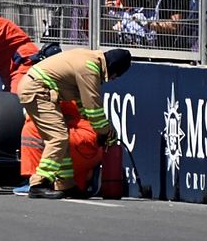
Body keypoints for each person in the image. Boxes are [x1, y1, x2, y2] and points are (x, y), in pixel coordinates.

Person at [16, 48, 132, 198]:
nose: (112, 79)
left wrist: (99, 129)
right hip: (38, 90)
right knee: (58, 137)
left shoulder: (90, 58)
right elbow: (93, 108)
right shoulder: (90, 69)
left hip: (38, 88)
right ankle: (39, 183)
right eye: (115, 77)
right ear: (114, 71)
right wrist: (106, 132)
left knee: (62, 137)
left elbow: (82, 104)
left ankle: (66, 185)